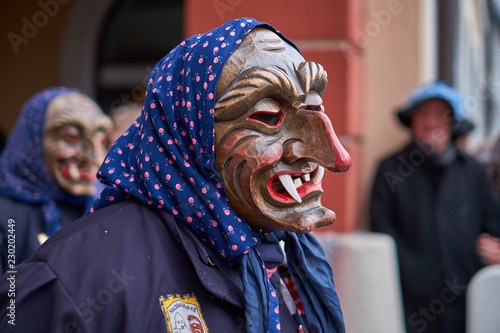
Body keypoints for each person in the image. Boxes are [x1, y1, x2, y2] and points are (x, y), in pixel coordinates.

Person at [0, 18, 350, 333]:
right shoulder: (74, 282)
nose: (335, 157)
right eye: (268, 116)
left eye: (315, 108)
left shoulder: (284, 264)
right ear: (189, 132)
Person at [370, 81, 500, 333]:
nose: (431, 121)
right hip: (409, 298)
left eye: (441, 114)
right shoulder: (390, 168)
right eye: (424, 113)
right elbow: (381, 225)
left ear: (453, 123)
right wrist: (412, 271)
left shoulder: (473, 170)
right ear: (413, 120)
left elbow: (492, 221)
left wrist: (492, 250)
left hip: (467, 295)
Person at [0, 87, 113, 274]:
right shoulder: (6, 217)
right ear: (32, 141)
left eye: (101, 141)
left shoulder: (102, 209)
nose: (95, 157)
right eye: (71, 137)